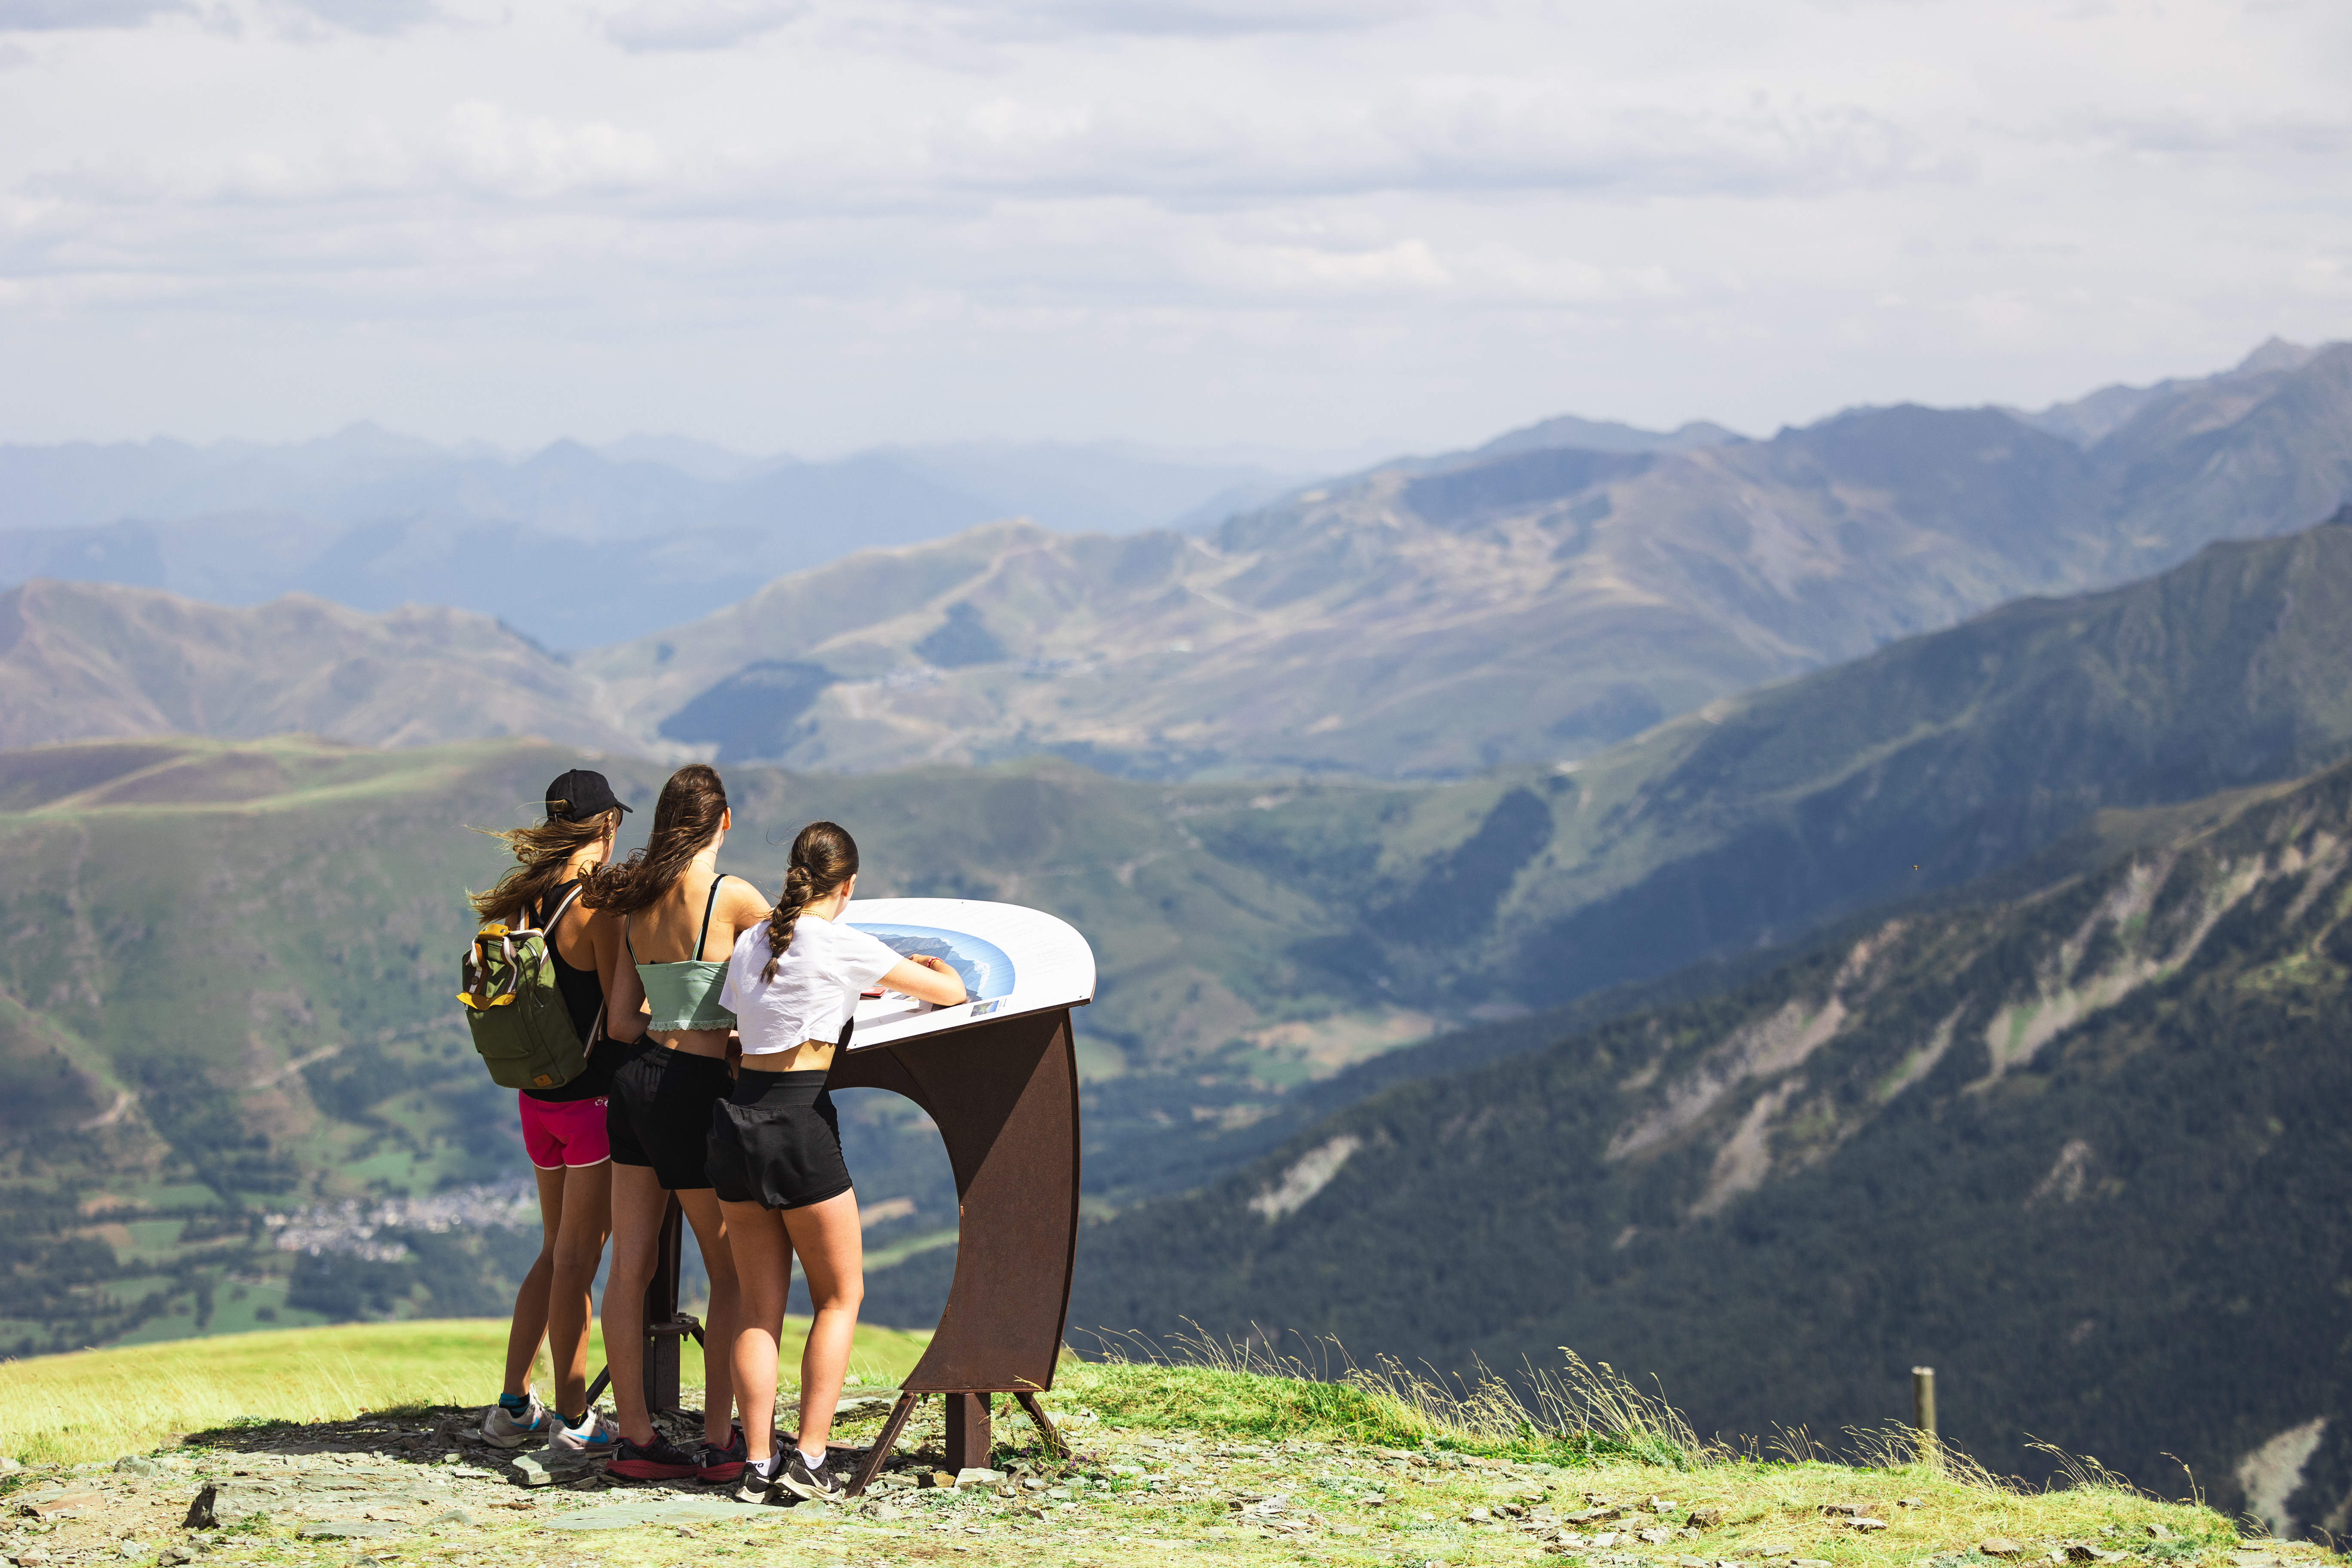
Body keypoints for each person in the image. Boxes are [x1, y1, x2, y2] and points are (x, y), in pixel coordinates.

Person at [710, 821, 967, 1503]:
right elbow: (952, 994)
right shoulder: (847, 943)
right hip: (799, 1122)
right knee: (840, 1295)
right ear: (848, 885)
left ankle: (757, 1465)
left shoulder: (751, 941)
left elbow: (746, 1019)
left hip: (735, 1123)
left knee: (759, 1310)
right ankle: (812, 1457)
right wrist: (937, 970)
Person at [586, 763, 772, 1482]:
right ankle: (724, 1441)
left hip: (634, 1085)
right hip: (693, 1090)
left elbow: (627, 1022)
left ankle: (634, 1436)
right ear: (723, 822)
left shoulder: (639, 902)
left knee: (630, 1267)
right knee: (728, 1273)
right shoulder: (732, 896)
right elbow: (803, 954)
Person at [470, 769, 638, 1459]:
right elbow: (624, 1021)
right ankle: (576, 1419)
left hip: (536, 1101)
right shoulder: (598, 910)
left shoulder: (521, 904)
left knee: (553, 1253)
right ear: (605, 827)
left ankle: (515, 1404)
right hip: (592, 1103)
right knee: (578, 1263)